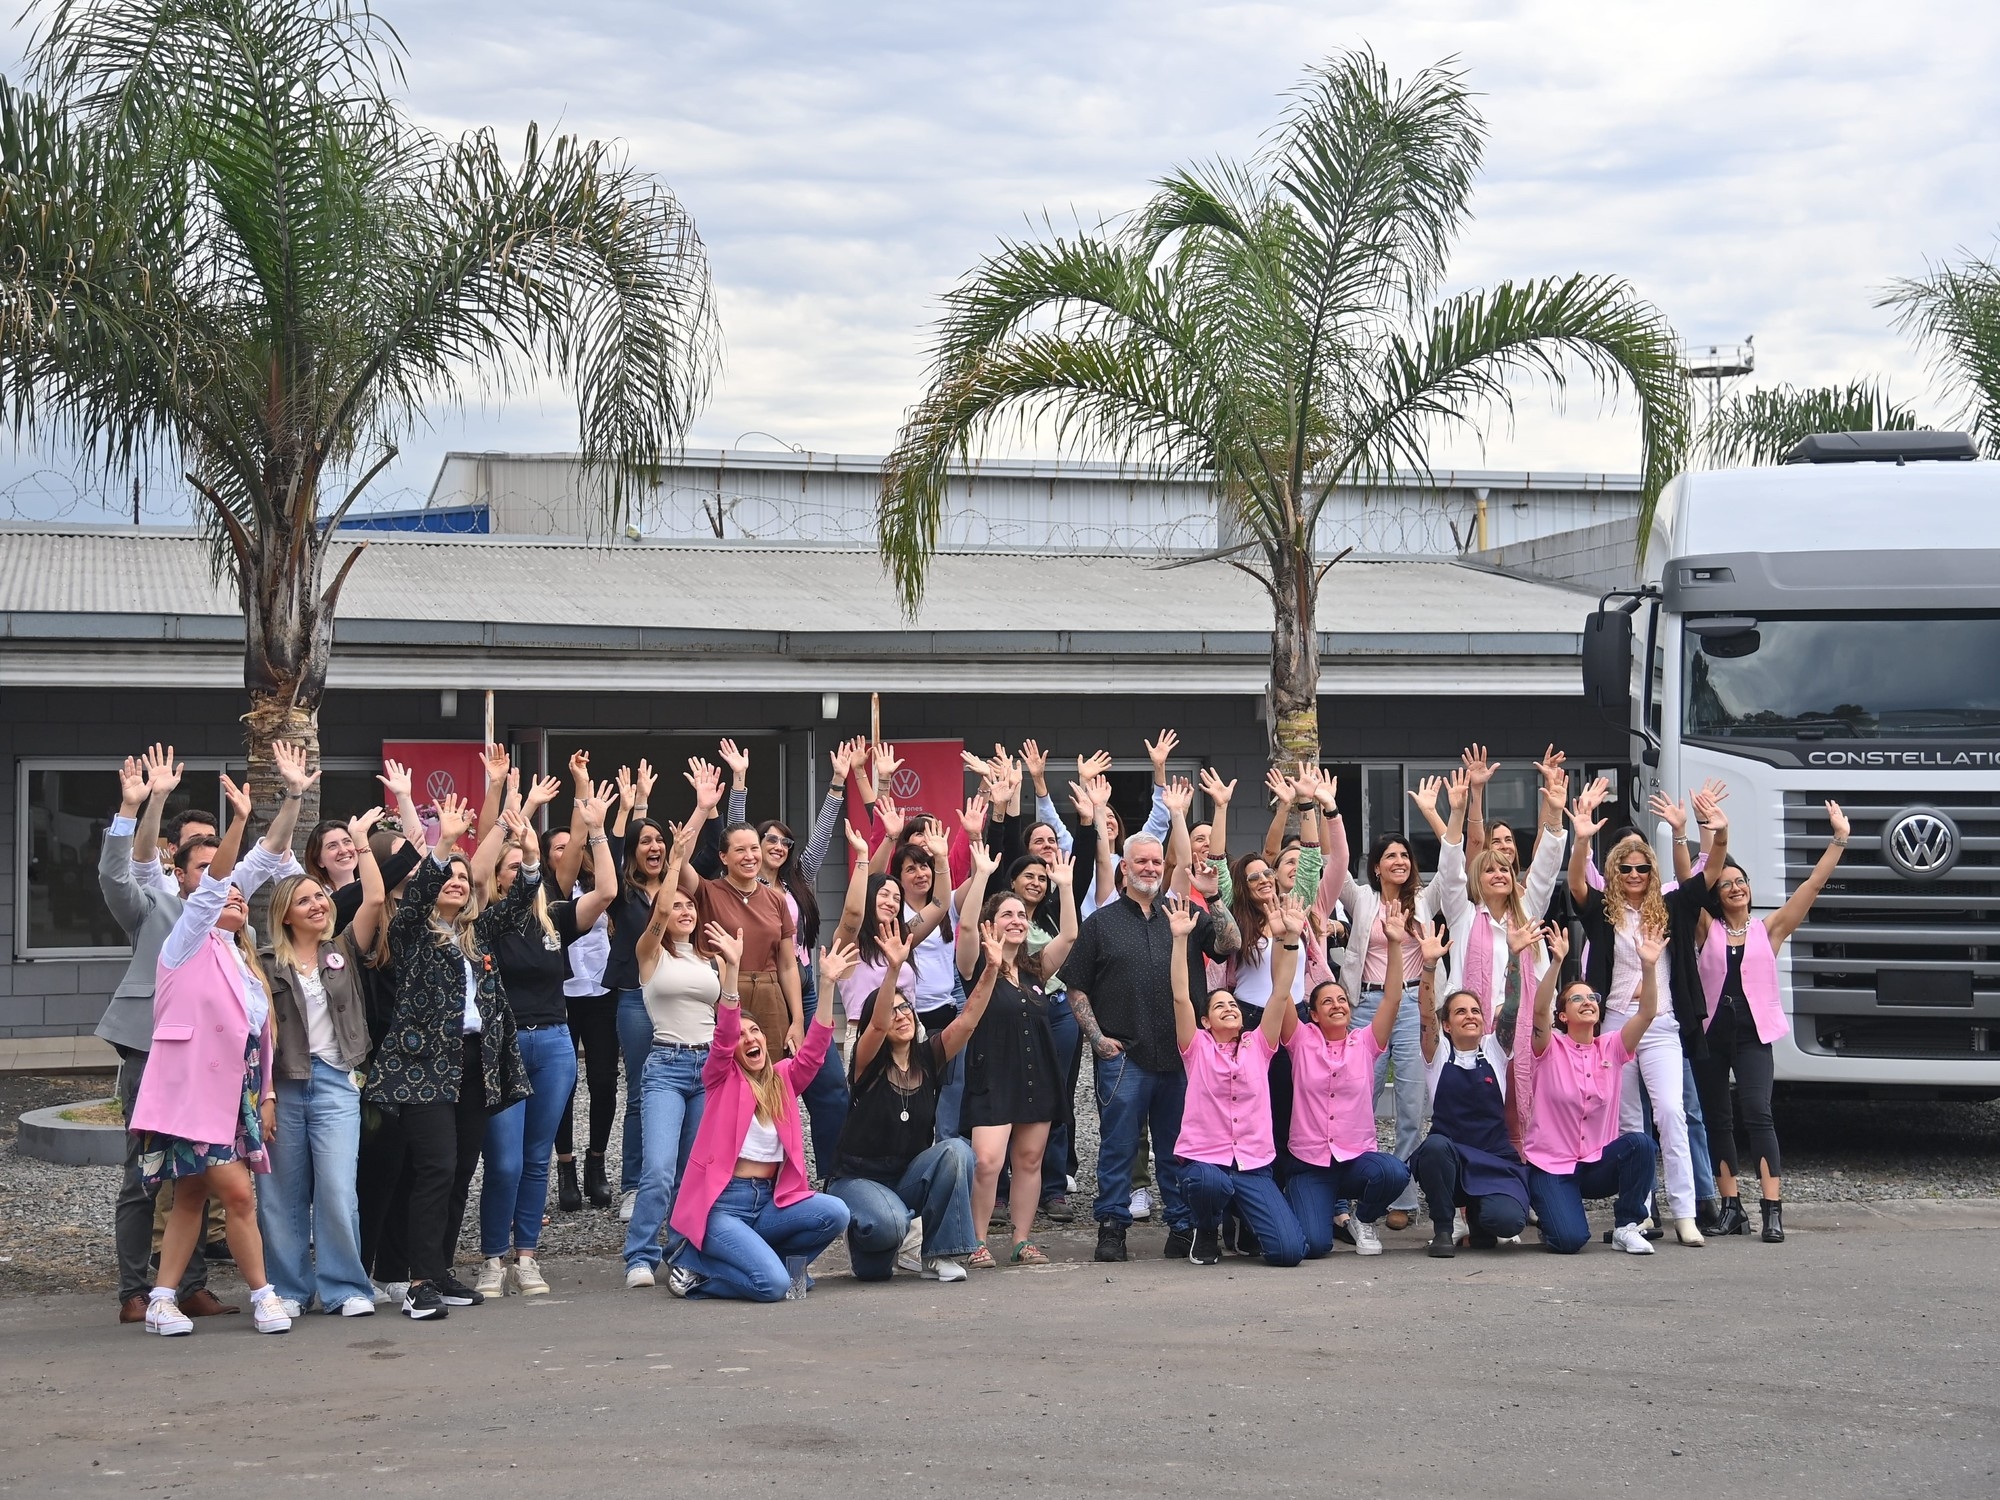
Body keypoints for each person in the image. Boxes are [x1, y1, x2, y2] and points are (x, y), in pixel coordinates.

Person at [128, 742, 316, 1335]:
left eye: (239, 895)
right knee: (237, 1194)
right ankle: (264, 1295)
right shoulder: (183, 942)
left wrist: (290, 797)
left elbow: (269, 857)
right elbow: (219, 882)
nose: (232, 896)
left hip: (233, 1099)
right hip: (188, 1099)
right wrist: (236, 821)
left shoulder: (242, 960)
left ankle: (162, 1300)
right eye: (220, 891)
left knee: (189, 1199)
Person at [364, 792, 532, 1320]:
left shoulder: (476, 934)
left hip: (476, 1061)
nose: (458, 881)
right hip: (424, 1068)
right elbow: (414, 902)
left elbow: (521, 904)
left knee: (460, 1168)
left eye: (464, 877)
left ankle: (437, 1271)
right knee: (434, 1166)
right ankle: (418, 1283)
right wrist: (446, 845)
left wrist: (527, 854)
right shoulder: (412, 932)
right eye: (448, 876)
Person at [99, 747, 235, 1324]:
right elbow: (115, 873)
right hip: (149, 1050)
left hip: (204, 1060)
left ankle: (191, 1285)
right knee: (141, 1174)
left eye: (218, 869)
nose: (212, 879)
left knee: (194, 1174)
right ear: (179, 873)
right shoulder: (152, 905)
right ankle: (134, 1290)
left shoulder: (229, 919)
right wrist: (142, 802)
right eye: (200, 868)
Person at [1567, 779, 1731, 1246]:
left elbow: (1712, 873)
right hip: (1616, 1024)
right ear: (1615, 871)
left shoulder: (1672, 905)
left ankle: (1684, 1213)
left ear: (1652, 869)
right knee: (1628, 1123)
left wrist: (1714, 831)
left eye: (1642, 867)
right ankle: (1637, 1213)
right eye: (1626, 868)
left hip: (1662, 1025)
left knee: (1673, 1114)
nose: (1635, 874)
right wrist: (1581, 838)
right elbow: (1577, 882)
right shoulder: (1603, 910)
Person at [1060, 831, 1234, 1264]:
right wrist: (1097, 1039)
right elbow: (1076, 987)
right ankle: (1113, 1227)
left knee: (1179, 1146)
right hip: (1125, 1057)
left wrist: (1213, 899)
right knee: (1118, 1146)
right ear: (1124, 867)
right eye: (1141, 862)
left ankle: (1180, 1227)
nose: (1151, 869)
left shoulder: (1186, 913)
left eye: (1157, 862)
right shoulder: (1101, 923)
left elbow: (1229, 946)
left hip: (1181, 1055)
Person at [474, 780, 619, 1297]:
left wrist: (598, 832)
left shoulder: (554, 918)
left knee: (537, 1158)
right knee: (505, 1160)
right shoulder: (485, 922)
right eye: (512, 867)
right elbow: (473, 876)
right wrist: (512, 822)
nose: (521, 873)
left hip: (555, 1043)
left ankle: (527, 1256)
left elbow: (606, 892)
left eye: (524, 867)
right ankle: (492, 1257)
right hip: (504, 1046)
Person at [665, 935, 855, 1302]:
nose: (749, 1038)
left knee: (835, 1211)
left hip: (768, 1202)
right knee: (770, 1287)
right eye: (741, 1035)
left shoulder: (782, 1079)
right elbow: (723, 1034)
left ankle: (789, 1274)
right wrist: (732, 971)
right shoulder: (720, 1078)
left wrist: (828, 983)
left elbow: (814, 1051)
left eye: (754, 1031)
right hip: (724, 1206)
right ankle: (695, 1268)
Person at [1695, 802, 1849, 1243]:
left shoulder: (1771, 929)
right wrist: (1711, 831)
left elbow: (1813, 885)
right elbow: (1704, 873)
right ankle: (1731, 1208)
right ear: (1716, 894)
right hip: (1711, 1035)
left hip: (1752, 1035)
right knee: (1717, 1119)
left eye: (1741, 881)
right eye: (1727, 884)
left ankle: (1771, 1210)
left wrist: (1838, 839)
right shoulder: (1705, 927)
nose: (1737, 887)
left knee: (1758, 1113)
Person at [258, 805, 387, 1316]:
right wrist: (261, 1095)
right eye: (305, 899)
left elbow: (374, 897)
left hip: (336, 1083)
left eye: (319, 897)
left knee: (337, 1188)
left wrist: (358, 843)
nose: (317, 904)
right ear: (285, 913)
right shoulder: (265, 962)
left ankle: (345, 1287)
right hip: (284, 1087)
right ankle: (289, 1289)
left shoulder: (343, 951)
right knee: (282, 1196)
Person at [825, 923, 999, 1283]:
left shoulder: (928, 1056)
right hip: (857, 1179)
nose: (901, 1016)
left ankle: (941, 1254)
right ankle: (867, 1229)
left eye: (906, 1009)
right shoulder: (867, 1061)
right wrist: (893, 970)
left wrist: (992, 969)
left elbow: (967, 1021)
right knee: (885, 1239)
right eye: (893, 1011)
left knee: (957, 1151)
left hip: (906, 1177)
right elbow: (874, 1027)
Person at [1321, 781, 1446, 1230]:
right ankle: (1343, 1195)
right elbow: (1334, 861)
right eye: (1390, 856)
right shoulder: (1362, 899)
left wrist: (1435, 813)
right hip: (1367, 1005)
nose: (1399, 862)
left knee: (1412, 1105)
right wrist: (1328, 808)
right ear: (1375, 867)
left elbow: (1452, 864)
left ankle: (1403, 1199)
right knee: (1357, 1098)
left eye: (1405, 856)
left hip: (1413, 1002)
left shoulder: (1425, 900)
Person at [954, 832, 1078, 1268]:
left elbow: (1069, 934)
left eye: (1021, 915)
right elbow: (966, 927)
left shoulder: (1035, 967)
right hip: (993, 1075)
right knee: (987, 1162)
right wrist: (982, 876)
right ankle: (976, 1241)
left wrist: (1063, 885)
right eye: (1006, 913)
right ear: (991, 923)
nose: (1016, 919)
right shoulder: (976, 964)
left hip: (1036, 1075)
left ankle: (1022, 1242)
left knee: (1030, 1160)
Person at [1169, 890, 1309, 1268]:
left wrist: (1289, 939)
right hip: (1207, 1162)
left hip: (1251, 1164)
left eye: (1232, 1004)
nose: (1229, 1008)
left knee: (1289, 1252)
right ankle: (1207, 1227)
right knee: (1209, 1184)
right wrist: (1180, 939)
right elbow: (1182, 997)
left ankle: (1244, 1219)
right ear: (1205, 1021)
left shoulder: (1258, 1045)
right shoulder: (1196, 1046)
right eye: (1219, 1006)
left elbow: (1281, 993)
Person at [622, 823, 731, 1288]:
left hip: (708, 1066)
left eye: (691, 905)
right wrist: (675, 864)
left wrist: (736, 964)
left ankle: (681, 1250)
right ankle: (639, 1255)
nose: (685, 910)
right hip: (666, 1065)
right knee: (660, 1168)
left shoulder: (711, 959)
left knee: (695, 1171)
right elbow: (662, 907)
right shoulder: (651, 953)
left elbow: (729, 1011)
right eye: (678, 906)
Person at [1521, 919, 1665, 1255]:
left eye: (1592, 997)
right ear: (1563, 1016)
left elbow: (1646, 1013)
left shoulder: (1611, 1047)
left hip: (1595, 1163)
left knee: (1641, 1144)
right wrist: (1557, 962)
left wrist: (1648, 965)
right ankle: (1547, 1210)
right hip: (1551, 1166)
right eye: (1576, 999)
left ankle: (1627, 1226)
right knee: (1570, 1241)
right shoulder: (1549, 1047)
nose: (1588, 1001)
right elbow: (1539, 1009)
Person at [1284, 900, 1417, 1258]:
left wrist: (1393, 942)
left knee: (1393, 1173)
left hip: (1355, 1160)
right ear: (1312, 1014)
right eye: (1327, 1001)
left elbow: (1392, 997)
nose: (1337, 1005)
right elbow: (1280, 994)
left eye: (1342, 999)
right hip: (1310, 1163)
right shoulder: (1300, 1040)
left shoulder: (1365, 1043)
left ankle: (1363, 1219)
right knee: (1314, 1246)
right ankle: (1320, 1208)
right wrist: (1289, 940)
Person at [1410, 922, 1533, 1259]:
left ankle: (1481, 1219)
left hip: (1494, 1157)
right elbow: (1425, 1012)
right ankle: (1443, 1228)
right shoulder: (1438, 1054)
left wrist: (1514, 954)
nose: (1470, 1016)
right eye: (1460, 1011)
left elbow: (1511, 1006)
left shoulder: (1496, 1048)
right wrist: (1430, 965)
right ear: (1446, 1025)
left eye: (1476, 1011)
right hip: (1450, 1156)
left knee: (1506, 1222)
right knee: (1434, 1147)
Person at [550, 750, 618, 1211]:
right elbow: (578, 839)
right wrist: (580, 785)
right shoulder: (555, 889)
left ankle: (597, 1163)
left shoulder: (601, 884)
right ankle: (567, 1167)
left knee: (604, 1081)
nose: (564, 851)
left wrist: (609, 812)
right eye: (555, 848)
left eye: (565, 847)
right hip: (563, 993)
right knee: (564, 1084)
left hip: (602, 989)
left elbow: (600, 841)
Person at [603, 758, 669, 1217]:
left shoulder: (677, 888)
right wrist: (629, 808)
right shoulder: (621, 892)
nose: (655, 846)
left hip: (677, 995)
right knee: (641, 1089)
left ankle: (672, 1180)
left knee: (680, 1086)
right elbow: (608, 847)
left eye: (660, 840)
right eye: (645, 841)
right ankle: (633, 1185)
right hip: (634, 997)